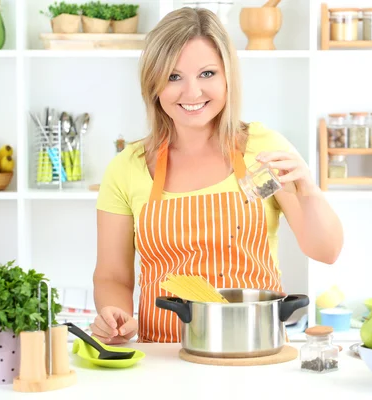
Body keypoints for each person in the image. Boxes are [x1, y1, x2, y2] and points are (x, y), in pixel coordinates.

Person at [92, 7, 343, 345]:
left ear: (228, 76)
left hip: (254, 349)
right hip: (164, 358)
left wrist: (308, 190)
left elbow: (326, 251)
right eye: (173, 76)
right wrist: (115, 316)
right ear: (153, 85)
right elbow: (112, 276)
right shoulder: (127, 167)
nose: (192, 92)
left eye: (207, 73)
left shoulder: (261, 152)